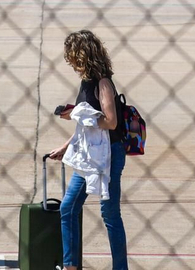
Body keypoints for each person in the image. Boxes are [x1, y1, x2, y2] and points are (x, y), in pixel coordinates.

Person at [46, 29, 128, 270]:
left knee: (110, 213)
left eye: (72, 57)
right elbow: (86, 128)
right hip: (88, 154)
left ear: (82, 55)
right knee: (68, 207)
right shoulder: (85, 82)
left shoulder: (103, 83)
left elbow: (110, 122)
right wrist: (65, 146)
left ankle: (120, 268)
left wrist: (78, 114)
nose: (70, 62)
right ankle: (70, 265)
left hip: (109, 154)